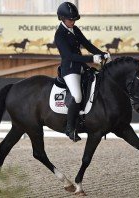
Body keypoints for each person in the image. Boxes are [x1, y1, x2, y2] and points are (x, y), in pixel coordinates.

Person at [55, 2, 111, 142]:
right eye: (70, 19)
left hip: (81, 66)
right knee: (78, 96)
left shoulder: (75, 29)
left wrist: (102, 54)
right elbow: (69, 56)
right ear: (62, 18)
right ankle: (70, 128)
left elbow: (87, 44)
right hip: (69, 70)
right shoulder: (59, 34)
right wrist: (93, 58)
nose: (72, 21)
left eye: (74, 19)